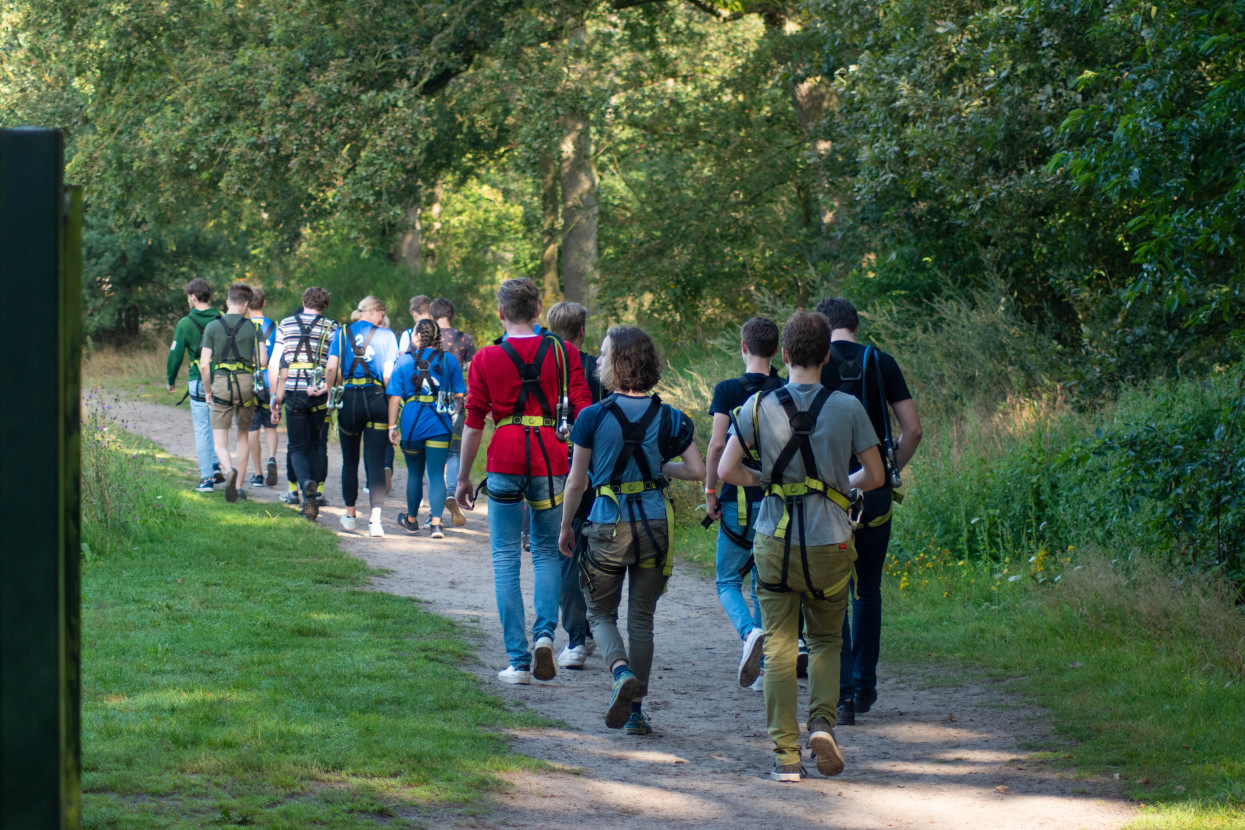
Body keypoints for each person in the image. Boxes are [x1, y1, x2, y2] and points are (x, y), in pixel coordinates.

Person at [719, 310, 883, 782]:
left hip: (774, 540)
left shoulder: (755, 408)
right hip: (830, 541)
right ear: (827, 356)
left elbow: (727, 470)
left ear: (784, 356)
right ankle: (822, 725)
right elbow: (874, 476)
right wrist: (837, 485)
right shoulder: (849, 407)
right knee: (828, 639)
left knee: (779, 649)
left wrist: (764, 479)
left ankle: (786, 758)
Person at [559, 326, 704, 735]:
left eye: (604, 355)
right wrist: (659, 469)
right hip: (656, 524)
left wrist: (566, 525)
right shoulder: (672, 416)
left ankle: (620, 673)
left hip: (608, 523)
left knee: (600, 612)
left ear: (619, 362)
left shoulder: (592, 417)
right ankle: (636, 713)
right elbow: (698, 471)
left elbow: (576, 481)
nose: (598, 361)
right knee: (642, 619)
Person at [455, 278, 592, 685]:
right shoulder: (565, 354)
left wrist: (463, 477)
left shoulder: (485, 358)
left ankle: (518, 661)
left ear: (501, 312)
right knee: (548, 552)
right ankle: (546, 635)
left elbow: (474, 422)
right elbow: (586, 412)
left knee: (505, 558)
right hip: (551, 457)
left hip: (505, 457)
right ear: (538, 310)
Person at [815, 297, 923, 726]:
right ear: (856, 326)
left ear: (822, 328)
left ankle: (840, 696)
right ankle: (864, 688)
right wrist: (888, 469)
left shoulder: (814, 364)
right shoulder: (882, 361)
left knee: (831, 593)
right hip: (873, 490)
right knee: (869, 589)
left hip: (825, 490)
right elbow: (912, 429)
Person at [703, 317, 784, 688]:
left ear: (743, 347)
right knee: (761, 583)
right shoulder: (785, 389)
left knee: (726, 580)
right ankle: (762, 669)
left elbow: (718, 445)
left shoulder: (727, 390)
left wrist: (709, 492)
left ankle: (749, 632)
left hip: (736, 498)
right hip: (775, 500)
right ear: (777, 351)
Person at [545, 301, 604, 669]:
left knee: (564, 553)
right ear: (581, 331)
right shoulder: (599, 371)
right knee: (596, 553)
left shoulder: (538, 366)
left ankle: (577, 638)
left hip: (551, 469)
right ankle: (596, 627)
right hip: (596, 472)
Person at [386, 318, 465, 539]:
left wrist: (392, 426)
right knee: (437, 474)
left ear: (417, 337)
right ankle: (437, 524)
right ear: (438, 337)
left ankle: (411, 521)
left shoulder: (403, 361)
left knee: (414, 473)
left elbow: (394, 397)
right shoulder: (448, 360)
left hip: (412, 421)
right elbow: (460, 393)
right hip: (439, 419)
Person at [327, 296, 398, 537]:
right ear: (374, 311)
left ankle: (349, 515)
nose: (382, 318)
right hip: (376, 397)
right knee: (376, 461)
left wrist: (333, 392)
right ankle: (375, 521)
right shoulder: (387, 336)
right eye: (381, 313)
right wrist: (394, 401)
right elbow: (388, 375)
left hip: (350, 398)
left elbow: (331, 368)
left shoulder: (342, 332)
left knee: (350, 460)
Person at [269, 286, 336, 520]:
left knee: (296, 446)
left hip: (293, 391)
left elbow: (276, 364)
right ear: (325, 305)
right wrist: (328, 390)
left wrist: (275, 396)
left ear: (303, 301)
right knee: (317, 445)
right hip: (319, 392)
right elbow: (334, 366)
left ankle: (304, 485)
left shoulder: (285, 324)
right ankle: (315, 490)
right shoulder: (332, 327)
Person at [199, 283, 267, 503]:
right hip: (246, 385)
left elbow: (204, 365)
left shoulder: (212, 327)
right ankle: (238, 488)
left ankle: (228, 470)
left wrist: (208, 391)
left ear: (227, 302)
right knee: (242, 435)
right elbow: (263, 361)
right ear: (246, 304)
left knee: (219, 440)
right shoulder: (253, 328)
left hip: (220, 384)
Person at [166, 278, 223, 492]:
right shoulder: (222, 318)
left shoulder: (185, 323)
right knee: (218, 427)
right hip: (224, 380)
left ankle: (207, 478)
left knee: (202, 429)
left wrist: (170, 379)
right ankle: (217, 465)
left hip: (199, 379)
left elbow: (175, 354)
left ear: (193, 297)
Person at [430, 297, 476, 528]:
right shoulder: (464, 339)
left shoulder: (428, 338)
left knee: (434, 456)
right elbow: (474, 371)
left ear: (432, 316)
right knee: (455, 453)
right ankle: (451, 491)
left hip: (429, 407)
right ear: (452, 315)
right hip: (456, 405)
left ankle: (434, 507)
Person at [246, 288, 280, 489]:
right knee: (270, 425)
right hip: (270, 381)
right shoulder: (274, 327)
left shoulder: (243, 326)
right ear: (264, 303)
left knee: (252, 428)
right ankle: (272, 458)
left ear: (246, 304)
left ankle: (257, 473)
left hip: (250, 381)